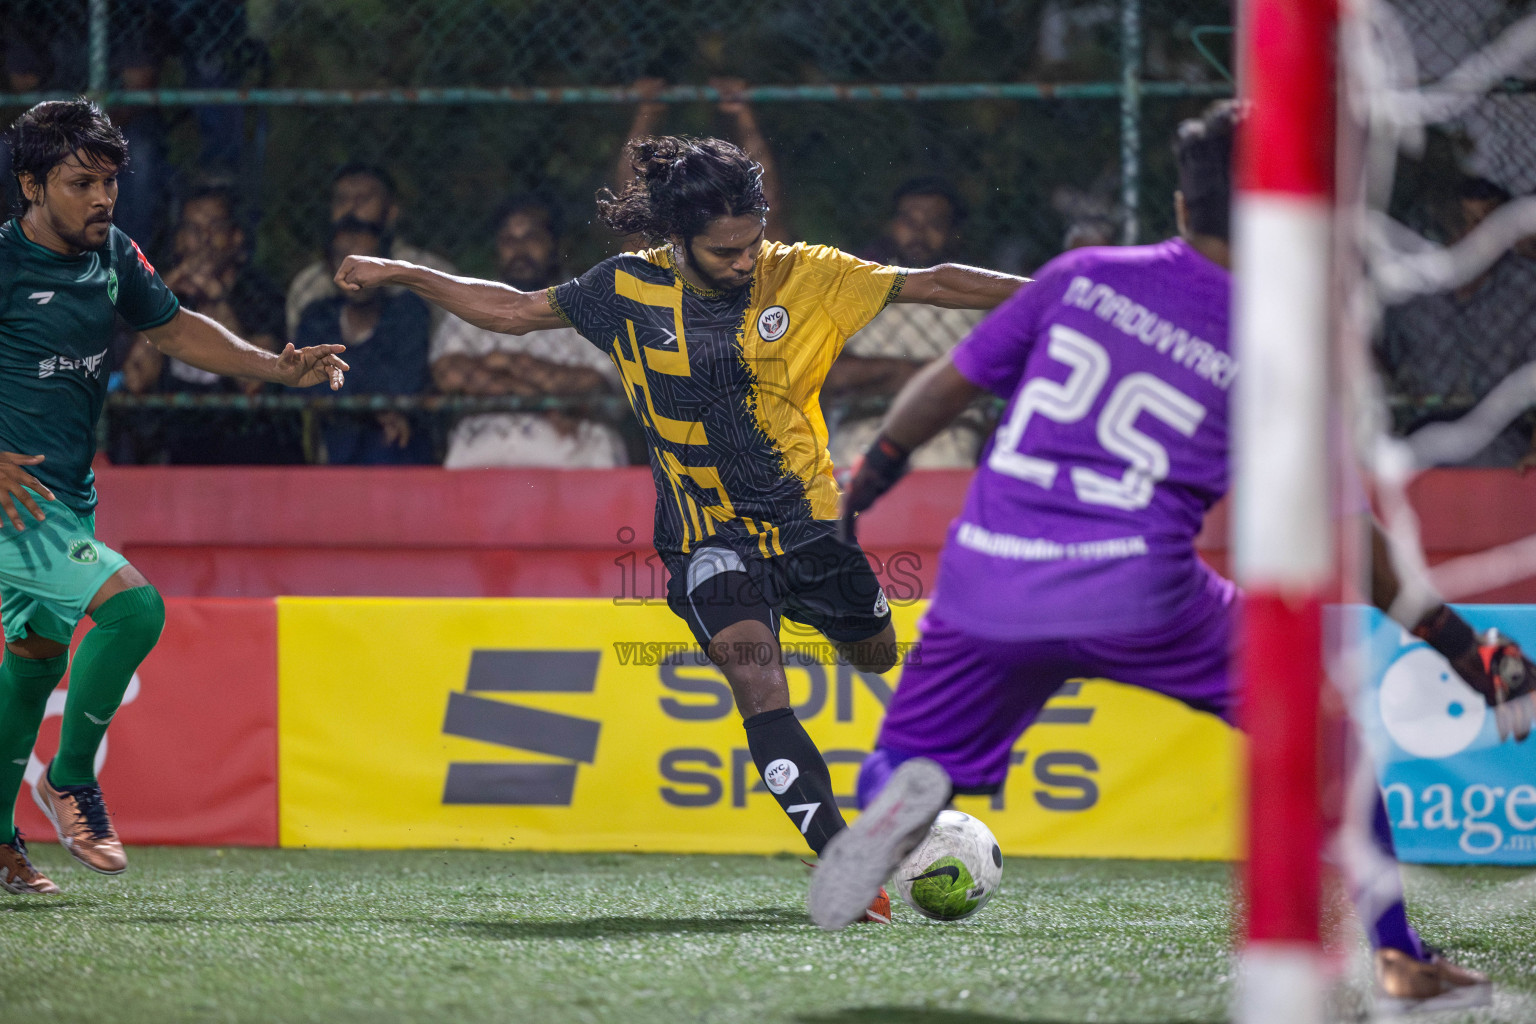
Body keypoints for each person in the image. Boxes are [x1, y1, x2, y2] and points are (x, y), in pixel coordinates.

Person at [806, 102, 1528, 1009]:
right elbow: (1347, 538)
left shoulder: (1079, 274)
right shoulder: (1285, 342)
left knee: (906, 756)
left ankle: (899, 803)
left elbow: (942, 388)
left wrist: (869, 478)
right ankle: (1397, 959)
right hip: (1138, 586)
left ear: (1182, 209)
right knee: (1324, 735)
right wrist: (1464, 648)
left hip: (986, 572)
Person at [335, 135, 1024, 916]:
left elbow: (934, 284)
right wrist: (403, 273)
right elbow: (516, 311)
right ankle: (842, 860)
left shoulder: (809, 276)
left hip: (808, 530)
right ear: (678, 240)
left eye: (753, 241)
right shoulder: (625, 288)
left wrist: (1056, 289)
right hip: (705, 537)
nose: (744, 260)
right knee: (759, 682)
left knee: (873, 646)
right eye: (725, 250)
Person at [0, 100, 347, 894]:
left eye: (109, 182)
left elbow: (176, 328)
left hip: (66, 493)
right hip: (12, 502)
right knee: (134, 608)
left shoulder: (114, 254)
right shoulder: (5, 263)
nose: (101, 199)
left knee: (33, 661)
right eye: (79, 182)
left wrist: (276, 365)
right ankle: (71, 778)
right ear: (30, 184)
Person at [432, 194, 627, 469]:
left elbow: (595, 382)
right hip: (481, 451)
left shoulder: (589, 303)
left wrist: (508, 361)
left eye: (531, 238)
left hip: (573, 452)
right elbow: (448, 373)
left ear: (555, 245)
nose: (519, 250)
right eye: (508, 240)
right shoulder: (472, 301)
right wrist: (542, 400)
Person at [125, 181, 302, 464]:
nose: (204, 239)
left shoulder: (259, 295)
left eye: (215, 228)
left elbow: (253, 383)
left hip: (245, 445)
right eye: (193, 229)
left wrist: (218, 300)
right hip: (177, 444)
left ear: (235, 237)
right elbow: (136, 379)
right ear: (180, 239)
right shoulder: (165, 292)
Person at [827, 177, 987, 470]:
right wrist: (916, 374)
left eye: (935, 223)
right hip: (861, 425)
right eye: (908, 220)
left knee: (945, 461)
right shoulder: (858, 291)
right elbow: (829, 371)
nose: (919, 233)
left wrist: (879, 376)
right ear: (890, 225)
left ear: (953, 234)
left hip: (947, 430)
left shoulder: (972, 301)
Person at [296, 217, 432, 465]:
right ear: (329, 266)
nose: (356, 272)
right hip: (337, 451)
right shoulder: (317, 318)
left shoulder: (408, 312)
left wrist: (344, 384)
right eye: (344, 259)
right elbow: (301, 379)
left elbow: (404, 383)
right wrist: (375, 404)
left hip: (399, 452)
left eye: (368, 259)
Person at [284, 162, 456, 339]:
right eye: (342, 200)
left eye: (363, 199)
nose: (350, 209)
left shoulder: (430, 271)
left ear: (391, 212)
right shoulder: (310, 283)